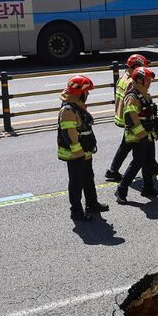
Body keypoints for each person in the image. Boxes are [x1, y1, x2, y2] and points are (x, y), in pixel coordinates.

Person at [105, 54, 158, 181]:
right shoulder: (132, 82)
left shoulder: (122, 77)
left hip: (121, 116)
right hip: (131, 118)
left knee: (130, 145)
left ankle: (151, 164)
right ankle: (113, 171)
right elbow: (134, 102)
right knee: (129, 146)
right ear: (136, 66)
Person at [57, 75, 109, 221]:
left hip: (83, 151)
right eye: (86, 92)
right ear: (79, 93)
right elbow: (69, 133)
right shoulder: (68, 110)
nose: (88, 94)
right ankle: (76, 212)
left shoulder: (76, 107)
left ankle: (92, 204)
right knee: (76, 182)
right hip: (75, 153)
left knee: (88, 178)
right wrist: (77, 149)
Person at [115, 67, 158, 204]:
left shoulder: (144, 93)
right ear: (140, 80)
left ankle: (148, 187)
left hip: (147, 134)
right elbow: (131, 117)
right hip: (138, 136)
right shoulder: (132, 96)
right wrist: (142, 134)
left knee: (148, 162)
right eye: (148, 80)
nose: (150, 82)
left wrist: (154, 122)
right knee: (137, 163)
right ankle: (121, 189)